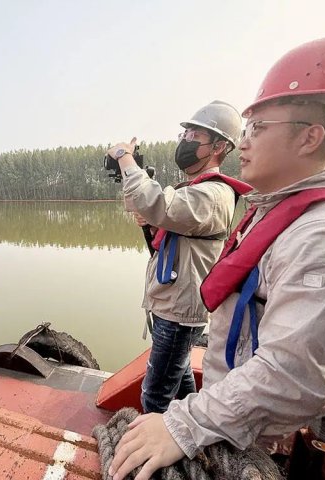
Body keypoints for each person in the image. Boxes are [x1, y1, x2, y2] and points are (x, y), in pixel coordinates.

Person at [108, 37, 325, 480]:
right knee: (179, 381)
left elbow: (293, 374)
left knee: (160, 391)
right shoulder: (281, 211)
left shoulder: (317, 231)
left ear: (310, 136)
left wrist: (180, 424)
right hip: (233, 414)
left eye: (257, 129)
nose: (245, 143)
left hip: (252, 438)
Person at [107, 101, 251, 414]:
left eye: (194, 135)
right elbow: (148, 206)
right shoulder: (195, 190)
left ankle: (151, 457)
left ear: (219, 146)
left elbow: (157, 203)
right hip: (174, 304)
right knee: (181, 372)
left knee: (155, 393)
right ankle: (191, 432)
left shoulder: (212, 194)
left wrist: (125, 158)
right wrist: (140, 194)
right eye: (184, 133)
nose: (184, 140)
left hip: (180, 312)